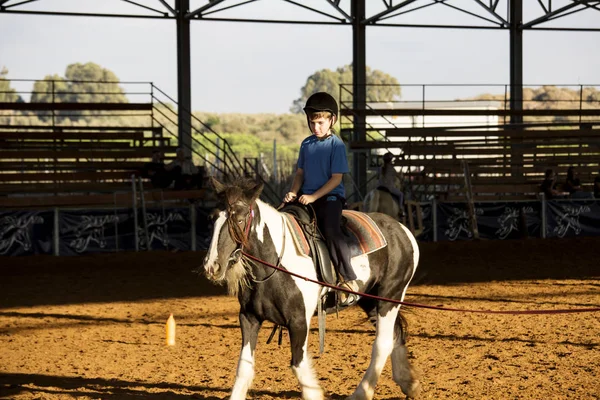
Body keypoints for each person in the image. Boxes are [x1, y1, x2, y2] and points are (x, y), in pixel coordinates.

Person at [283, 92, 358, 306]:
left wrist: (314, 196)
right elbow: (299, 174)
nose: (316, 127)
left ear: (331, 120)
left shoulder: (336, 146)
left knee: (331, 231)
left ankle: (348, 279)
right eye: (312, 122)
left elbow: (336, 179)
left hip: (330, 198)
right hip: (305, 197)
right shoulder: (306, 144)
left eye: (320, 123)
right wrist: (293, 192)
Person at [377, 152, 404, 217]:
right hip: (389, 188)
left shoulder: (380, 168)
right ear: (390, 161)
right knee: (401, 194)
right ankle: (401, 209)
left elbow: (378, 177)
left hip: (379, 187)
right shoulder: (392, 169)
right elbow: (399, 177)